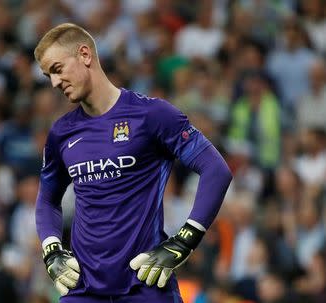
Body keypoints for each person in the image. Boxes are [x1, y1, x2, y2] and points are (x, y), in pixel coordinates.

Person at [34, 23, 232, 303]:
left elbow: (216, 169)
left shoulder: (151, 115)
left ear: (85, 55)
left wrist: (184, 241)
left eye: (57, 69)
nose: (54, 82)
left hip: (146, 284)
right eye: (48, 76)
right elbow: (47, 200)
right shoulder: (61, 133)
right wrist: (52, 248)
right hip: (84, 290)